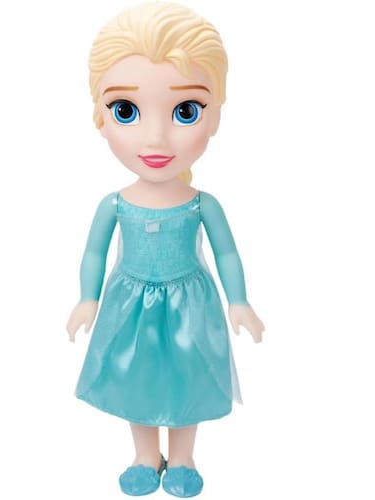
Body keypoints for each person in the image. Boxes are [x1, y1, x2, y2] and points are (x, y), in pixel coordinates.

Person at [66, 2, 265, 497]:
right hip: (128, 304)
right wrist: (87, 297)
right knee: (136, 379)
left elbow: (227, 254)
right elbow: (94, 253)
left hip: (189, 306)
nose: (155, 138)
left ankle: (182, 458)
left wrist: (239, 300)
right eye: (126, 111)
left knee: (186, 380)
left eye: (185, 111)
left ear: (214, 116)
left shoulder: (201, 204)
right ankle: (143, 454)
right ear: (99, 116)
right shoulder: (115, 203)